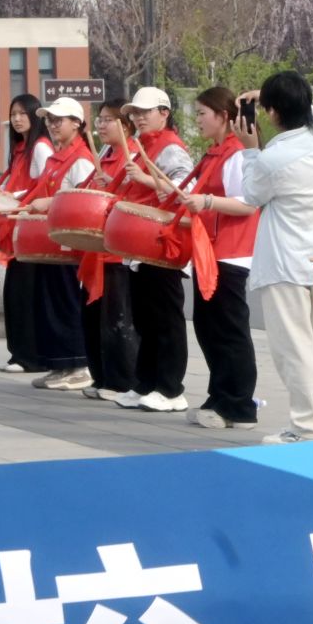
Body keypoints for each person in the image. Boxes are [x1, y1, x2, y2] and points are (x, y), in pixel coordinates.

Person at [201, 71, 313, 444]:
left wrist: (250, 147)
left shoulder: (273, 158)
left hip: (284, 265)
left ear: (272, 113)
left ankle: (306, 427)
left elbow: (251, 195)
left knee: (294, 351)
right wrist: (270, 97)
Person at [174, 87, 260, 429]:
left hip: (231, 253)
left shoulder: (237, 154)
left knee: (229, 331)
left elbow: (248, 203)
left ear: (223, 116)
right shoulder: (215, 153)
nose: (197, 120)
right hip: (209, 250)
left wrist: (207, 202)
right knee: (209, 329)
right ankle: (220, 396)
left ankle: (239, 405)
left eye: (201, 113)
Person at [117, 86, 196, 413]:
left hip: (163, 242)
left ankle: (171, 388)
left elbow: (186, 189)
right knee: (144, 319)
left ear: (164, 113)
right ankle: (146, 382)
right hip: (141, 243)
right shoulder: (142, 146)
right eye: (135, 113)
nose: (138, 118)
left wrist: (146, 179)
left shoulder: (171, 147)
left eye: (145, 112)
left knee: (165, 319)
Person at [18, 97, 97, 391]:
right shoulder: (56, 158)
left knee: (65, 303)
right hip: (50, 241)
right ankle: (59, 363)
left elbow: (83, 198)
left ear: (76, 123)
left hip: (69, 245)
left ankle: (78, 364)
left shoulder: (82, 159)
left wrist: (49, 202)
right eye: (49, 120)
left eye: (58, 120)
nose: (52, 125)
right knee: (49, 303)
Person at [70, 101, 141, 405]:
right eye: (99, 119)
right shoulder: (104, 154)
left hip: (117, 251)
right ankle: (101, 376)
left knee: (117, 320)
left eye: (108, 120)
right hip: (97, 248)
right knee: (94, 319)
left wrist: (111, 186)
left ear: (126, 126)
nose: (101, 125)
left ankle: (122, 380)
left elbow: (133, 197)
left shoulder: (134, 155)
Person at [0, 94, 51, 375]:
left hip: (33, 230)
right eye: (13, 114)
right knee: (15, 293)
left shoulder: (40, 147)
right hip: (21, 227)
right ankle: (19, 353)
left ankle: (30, 356)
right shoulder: (21, 148)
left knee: (25, 294)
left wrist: (14, 196)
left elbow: (45, 187)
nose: (17, 119)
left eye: (22, 113)